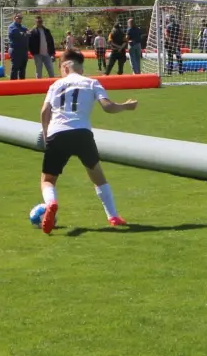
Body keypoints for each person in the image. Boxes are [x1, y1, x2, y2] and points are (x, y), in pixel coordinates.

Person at [37, 50, 138, 234]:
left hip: (57, 133)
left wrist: (46, 137)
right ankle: (113, 216)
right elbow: (107, 107)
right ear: (79, 67)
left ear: (65, 67)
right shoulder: (92, 82)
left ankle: (51, 203)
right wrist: (126, 106)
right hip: (82, 133)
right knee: (97, 175)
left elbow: (45, 111)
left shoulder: (56, 84)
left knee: (48, 180)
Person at [7, 15, 29, 80]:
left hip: (24, 50)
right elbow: (15, 33)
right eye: (18, 18)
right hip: (15, 50)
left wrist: (23, 34)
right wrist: (24, 34)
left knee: (23, 68)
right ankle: (13, 85)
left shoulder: (23, 27)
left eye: (21, 18)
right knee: (15, 68)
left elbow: (28, 33)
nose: (20, 19)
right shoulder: (11, 26)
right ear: (14, 18)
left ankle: (22, 84)